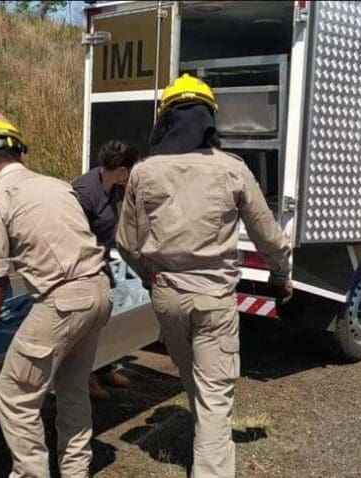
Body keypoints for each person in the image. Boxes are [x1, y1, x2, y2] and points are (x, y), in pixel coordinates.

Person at [116, 74, 293, 478]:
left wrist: (152, 277)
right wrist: (282, 275)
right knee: (215, 393)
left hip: (167, 296)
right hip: (214, 299)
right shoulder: (232, 169)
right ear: (209, 119)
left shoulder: (144, 172)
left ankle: (206, 441)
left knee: (195, 379)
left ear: (166, 119)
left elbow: (126, 241)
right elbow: (268, 235)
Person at [0, 115, 112, 478]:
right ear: (19, 151)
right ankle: (75, 470)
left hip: (64, 301)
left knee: (14, 394)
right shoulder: (57, 185)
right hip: (100, 291)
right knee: (72, 389)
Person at [72, 140, 140, 400]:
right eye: (130, 172)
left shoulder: (113, 187)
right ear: (121, 171)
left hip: (103, 263)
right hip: (85, 267)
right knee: (87, 326)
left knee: (104, 321)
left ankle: (105, 367)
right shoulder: (84, 191)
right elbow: (75, 236)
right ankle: (85, 377)